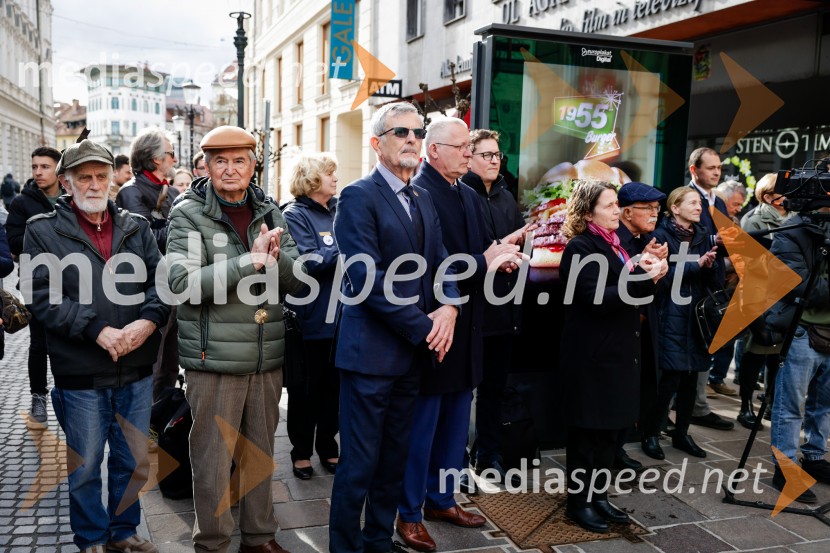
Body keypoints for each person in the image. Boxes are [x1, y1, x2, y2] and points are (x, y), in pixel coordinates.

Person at [22, 139, 168, 553]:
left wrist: (147, 321)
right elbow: (39, 295)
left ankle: (123, 532)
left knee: (133, 461)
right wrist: (96, 330)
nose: (93, 184)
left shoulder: (135, 227)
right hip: (81, 372)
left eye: (101, 176)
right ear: (67, 182)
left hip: (136, 369)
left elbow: (161, 283)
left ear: (111, 180)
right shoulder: (43, 230)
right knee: (85, 467)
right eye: (83, 177)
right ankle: (90, 539)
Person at [167, 125, 305, 553]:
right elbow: (181, 284)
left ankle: (260, 537)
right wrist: (250, 260)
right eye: (220, 161)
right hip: (214, 360)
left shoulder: (270, 210)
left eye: (239, 160)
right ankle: (212, 542)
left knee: (259, 452)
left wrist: (276, 261)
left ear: (253, 165)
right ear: (205, 166)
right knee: (212, 459)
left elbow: (299, 282)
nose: (230, 169)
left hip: (266, 355)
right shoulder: (188, 213)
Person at [329, 102, 460, 553]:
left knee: (393, 461)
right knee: (359, 464)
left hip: (410, 356)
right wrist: (427, 326)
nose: (411, 139)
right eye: (400, 131)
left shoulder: (421, 197)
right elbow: (366, 278)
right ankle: (345, 547)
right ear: (376, 142)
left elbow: (443, 262)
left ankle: (378, 540)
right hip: (369, 356)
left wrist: (449, 307)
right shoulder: (357, 196)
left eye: (417, 132)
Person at [396, 118, 523, 552]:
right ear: (434, 151)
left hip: (471, 322)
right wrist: (483, 260)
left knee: (454, 424)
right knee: (423, 426)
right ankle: (408, 512)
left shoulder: (467, 192)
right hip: (435, 324)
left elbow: (478, 254)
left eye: (471, 146)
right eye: (461, 146)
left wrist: (498, 259)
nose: (469, 152)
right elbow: (425, 265)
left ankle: (442, 498)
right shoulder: (419, 193)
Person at [559, 180, 665, 534]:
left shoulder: (617, 246)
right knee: (588, 435)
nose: (617, 210)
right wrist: (643, 278)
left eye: (617, 204)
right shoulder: (580, 247)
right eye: (608, 206)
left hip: (619, 354)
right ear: (588, 212)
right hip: (592, 358)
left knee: (611, 434)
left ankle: (599, 497)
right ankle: (579, 503)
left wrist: (652, 271)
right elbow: (596, 298)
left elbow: (630, 290)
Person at [460, 129, 526, 480]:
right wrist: (492, 258)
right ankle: (455, 458)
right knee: (460, 392)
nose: (494, 160)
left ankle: (488, 455)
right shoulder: (460, 194)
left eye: (497, 155)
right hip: (470, 306)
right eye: (486, 154)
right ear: (468, 157)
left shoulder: (506, 197)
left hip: (504, 307)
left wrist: (516, 257)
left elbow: (519, 240)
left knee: (494, 389)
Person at [642, 187, 719, 461]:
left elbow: (714, 281)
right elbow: (659, 277)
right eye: (694, 203)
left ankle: (682, 433)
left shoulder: (703, 236)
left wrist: (712, 263)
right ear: (675, 208)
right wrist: (696, 265)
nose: (700, 207)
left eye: (700, 203)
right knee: (668, 380)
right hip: (669, 313)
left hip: (697, 318)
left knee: (691, 378)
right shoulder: (659, 235)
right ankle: (651, 433)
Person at [763, 205, 830, 504]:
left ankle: (815, 456)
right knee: (790, 406)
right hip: (803, 329)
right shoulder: (792, 230)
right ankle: (785, 469)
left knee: (824, 404)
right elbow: (798, 284)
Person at [281, 153, 341, 480]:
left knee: (334, 389)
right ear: (311, 179)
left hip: (342, 318)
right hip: (310, 320)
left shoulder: (338, 211)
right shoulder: (295, 215)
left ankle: (328, 447)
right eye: (329, 173)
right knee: (306, 391)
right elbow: (307, 262)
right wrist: (344, 241)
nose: (335, 178)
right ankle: (300, 452)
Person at [5, 146, 65, 427]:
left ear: (58, 169)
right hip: (36, 282)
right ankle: (38, 399)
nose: (38, 172)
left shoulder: (70, 197)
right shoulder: (22, 203)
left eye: (45, 166)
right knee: (39, 344)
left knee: (70, 341)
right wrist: (46, 235)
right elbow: (15, 242)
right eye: (34, 167)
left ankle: (69, 396)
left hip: (74, 281)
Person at [614, 182, 668, 471]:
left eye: (657, 209)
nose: (654, 214)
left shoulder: (647, 240)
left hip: (645, 325)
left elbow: (656, 289)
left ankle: (619, 446)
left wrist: (658, 268)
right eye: (647, 208)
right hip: (622, 329)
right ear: (626, 211)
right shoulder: (616, 242)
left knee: (640, 388)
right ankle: (613, 451)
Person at [686, 148, 735, 429]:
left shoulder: (720, 202)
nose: (717, 172)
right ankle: (689, 407)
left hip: (714, 283)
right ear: (695, 170)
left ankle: (697, 405)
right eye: (711, 167)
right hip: (691, 282)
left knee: (707, 346)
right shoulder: (687, 198)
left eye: (719, 168)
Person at [737, 173, 788, 429]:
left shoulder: (792, 218)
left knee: (777, 355)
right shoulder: (753, 220)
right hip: (759, 297)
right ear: (768, 196)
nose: (788, 195)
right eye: (783, 191)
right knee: (755, 352)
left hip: (785, 297)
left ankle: (769, 404)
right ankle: (745, 406)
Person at [116, 128, 180, 254]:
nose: (175, 160)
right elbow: (145, 238)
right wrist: (185, 226)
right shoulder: (130, 192)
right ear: (156, 158)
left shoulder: (174, 192)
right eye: (171, 154)